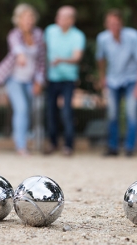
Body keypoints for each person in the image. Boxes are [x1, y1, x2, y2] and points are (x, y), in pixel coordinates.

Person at [0, 3, 45, 156]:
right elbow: (16, 47)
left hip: (30, 79)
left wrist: (39, 81)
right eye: (25, 17)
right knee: (21, 108)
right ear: (19, 20)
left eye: (31, 17)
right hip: (13, 78)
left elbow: (41, 61)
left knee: (28, 110)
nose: (29, 20)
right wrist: (21, 55)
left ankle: (24, 140)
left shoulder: (38, 35)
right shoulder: (14, 34)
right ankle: (21, 146)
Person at [96, 9, 137, 157]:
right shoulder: (103, 39)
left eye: (117, 23)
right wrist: (102, 77)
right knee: (112, 114)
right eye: (111, 23)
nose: (114, 26)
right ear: (106, 24)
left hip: (132, 79)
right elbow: (100, 59)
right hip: (112, 80)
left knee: (131, 113)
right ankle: (113, 147)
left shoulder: (133, 36)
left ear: (121, 23)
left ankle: (129, 148)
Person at [44, 6, 86, 156]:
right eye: (58, 15)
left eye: (62, 16)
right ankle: (52, 143)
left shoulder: (78, 36)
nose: (58, 19)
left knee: (66, 112)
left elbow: (77, 57)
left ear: (71, 20)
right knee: (50, 112)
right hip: (52, 78)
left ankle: (68, 145)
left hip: (69, 79)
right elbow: (43, 50)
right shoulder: (50, 31)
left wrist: (61, 60)